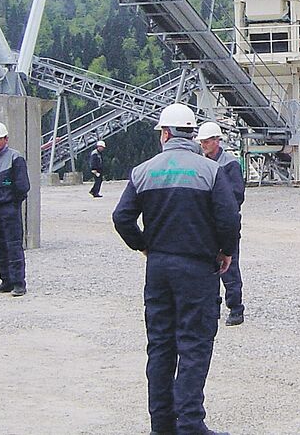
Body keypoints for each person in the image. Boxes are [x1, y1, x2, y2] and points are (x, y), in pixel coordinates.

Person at [113, 103, 239, 435]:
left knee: (161, 345)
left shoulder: (143, 171)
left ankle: (162, 425)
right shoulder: (210, 171)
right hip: (197, 270)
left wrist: (143, 245)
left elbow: (121, 217)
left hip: (159, 269)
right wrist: (225, 252)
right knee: (194, 344)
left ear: (165, 134)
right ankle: (192, 425)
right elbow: (229, 219)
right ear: (192, 134)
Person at [197, 121, 246, 327]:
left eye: (207, 141)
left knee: (229, 266)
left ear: (217, 141)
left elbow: (237, 195)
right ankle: (212, 308)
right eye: (202, 142)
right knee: (207, 267)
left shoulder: (230, 163)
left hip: (225, 223)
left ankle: (235, 309)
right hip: (206, 223)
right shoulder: (200, 163)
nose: (204, 145)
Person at [0, 122, 31, 297]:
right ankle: (6, 281)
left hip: (9, 209)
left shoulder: (16, 159)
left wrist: (11, 202)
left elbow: (22, 186)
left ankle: (19, 283)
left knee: (13, 245)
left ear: (6, 139)